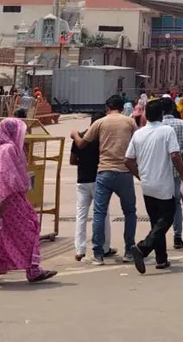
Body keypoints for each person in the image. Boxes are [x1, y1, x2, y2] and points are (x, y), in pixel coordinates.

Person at [0, 117, 57, 286]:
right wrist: (1, 200)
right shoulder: (8, 149)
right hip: (8, 200)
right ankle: (32, 270)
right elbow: (4, 176)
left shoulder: (7, 149)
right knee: (27, 229)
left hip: (6, 199)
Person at [124, 98, 183, 274]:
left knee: (156, 222)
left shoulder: (139, 133)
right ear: (161, 115)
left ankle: (161, 259)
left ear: (146, 114)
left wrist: (139, 175)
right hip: (164, 184)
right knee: (167, 217)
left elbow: (128, 160)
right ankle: (143, 248)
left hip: (147, 185)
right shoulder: (166, 131)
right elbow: (175, 155)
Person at [71, 94, 138, 264]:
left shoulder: (100, 122)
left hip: (105, 172)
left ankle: (98, 254)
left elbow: (81, 144)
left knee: (99, 213)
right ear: (122, 108)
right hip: (124, 172)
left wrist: (74, 134)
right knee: (129, 212)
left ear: (107, 107)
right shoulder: (129, 122)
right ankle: (129, 250)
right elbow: (137, 143)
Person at [69, 111, 111, 262]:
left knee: (81, 215)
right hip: (98, 179)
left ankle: (79, 249)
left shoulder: (79, 136)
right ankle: (105, 247)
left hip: (82, 180)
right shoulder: (102, 140)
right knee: (103, 214)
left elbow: (72, 160)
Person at [162, 102, 183, 249]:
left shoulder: (157, 125)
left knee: (158, 205)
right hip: (175, 172)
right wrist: (180, 166)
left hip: (158, 173)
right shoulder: (181, 124)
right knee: (176, 203)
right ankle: (177, 236)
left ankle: (157, 236)